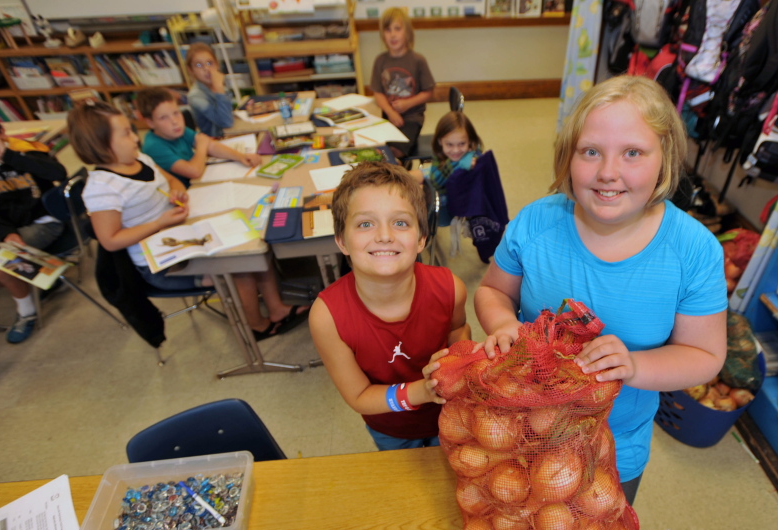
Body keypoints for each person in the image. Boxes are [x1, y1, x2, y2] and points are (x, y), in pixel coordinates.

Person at [474, 75, 728, 504]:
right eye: (591, 152)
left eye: (633, 153)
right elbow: (492, 292)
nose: (608, 173)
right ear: (567, 157)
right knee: (516, 529)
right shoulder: (536, 224)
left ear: (664, 160)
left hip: (615, 443)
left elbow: (705, 356)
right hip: (522, 423)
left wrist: (633, 366)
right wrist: (501, 322)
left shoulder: (693, 251)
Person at [66, 100, 303, 340]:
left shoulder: (140, 160)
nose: (135, 138)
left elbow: (170, 180)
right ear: (101, 144)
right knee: (241, 267)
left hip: (179, 231)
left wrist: (176, 191)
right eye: (126, 134)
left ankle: (277, 309)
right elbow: (110, 241)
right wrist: (159, 223)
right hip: (160, 263)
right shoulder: (102, 188)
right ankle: (257, 327)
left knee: (251, 242)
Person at [309, 161, 471, 451]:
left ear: (421, 238)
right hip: (390, 429)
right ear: (341, 241)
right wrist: (421, 392)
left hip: (452, 415)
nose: (384, 235)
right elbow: (358, 395)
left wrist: (457, 361)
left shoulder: (451, 288)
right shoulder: (327, 317)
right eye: (365, 224)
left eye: (400, 222)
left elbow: (458, 329)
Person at [0, 104, 68, 343]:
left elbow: (59, 173)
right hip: (12, 230)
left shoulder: (26, 154)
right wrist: (8, 233)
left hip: (45, 221)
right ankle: (44, 277)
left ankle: (26, 314)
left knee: (1, 268)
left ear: (1, 132)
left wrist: (9, 157)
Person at [135, 87, 260, 188]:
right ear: (150, 123)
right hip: (188, 192)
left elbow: (211, 145)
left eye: (176, 113)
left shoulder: (177, 130)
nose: (174, 121)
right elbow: (194, 171)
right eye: (164, 117)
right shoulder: (154, 146)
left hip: (199, 183)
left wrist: (240, 156)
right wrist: (201, 147)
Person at [411, 111, 483, 256]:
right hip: (440, 183)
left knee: (407, 192)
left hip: (446, 204)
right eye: (449, 144)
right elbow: (436, 172)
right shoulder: (447, 157)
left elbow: (439, 179)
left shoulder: (469, 162)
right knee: (406, 178)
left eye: (461, 144)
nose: (456, 150)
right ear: (440, 142)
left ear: (470, 141)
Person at [369, 8, 435, 159]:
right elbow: (378, 93)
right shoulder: (380, 61)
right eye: (387, 30)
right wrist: (390, 112)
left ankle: (398, 177)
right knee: (372, 149)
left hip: (411, 119)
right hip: (386, 116)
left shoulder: (418, 60)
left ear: (407, 32)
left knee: (393, 153)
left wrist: (408, 104)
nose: (392, 34)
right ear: (383, 35)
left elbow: (428, 92)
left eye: (397, 29)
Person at [185, 43, 235, 138]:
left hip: (228, 135)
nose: (206, 69)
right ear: (191, 70)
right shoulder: (195, 96)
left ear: (217, 65)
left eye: (209, 63)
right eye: (198, 65)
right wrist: (219, 89)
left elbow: (229, 113)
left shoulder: (216, 84)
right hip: (215, 140)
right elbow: (226, 122)